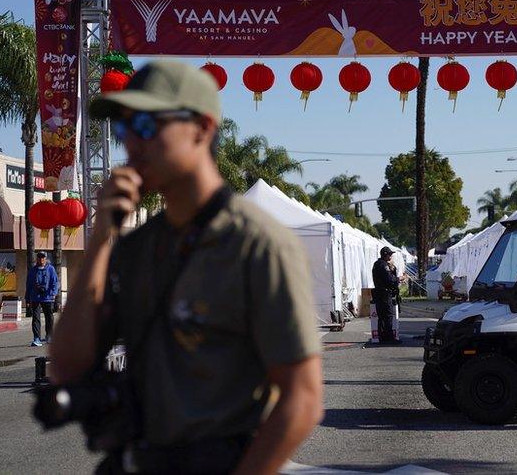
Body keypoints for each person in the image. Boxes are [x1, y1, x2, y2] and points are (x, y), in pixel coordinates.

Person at [48, 60, 323, 475]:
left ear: (202, 128)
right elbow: (68, 366)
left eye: (146, 126)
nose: (131, 145)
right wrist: (102, 237)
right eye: (124, 130)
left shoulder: (257, 244)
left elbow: (301, 399)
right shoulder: (137, 247)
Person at [26, 251, 58, 347]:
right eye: (39, 257)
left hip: (47, 297)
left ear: (46, 258)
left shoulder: (50, 269)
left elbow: (55, 282)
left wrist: (53, 293)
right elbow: (29, 285)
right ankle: (36, 338)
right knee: (36, 318)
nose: (41, 259)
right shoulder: (32, 270)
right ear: (37, 259)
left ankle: (49, 335)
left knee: (49, 317)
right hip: (35, 297)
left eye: (43, 257)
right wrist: (27, 298)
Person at [371, 247, 403, 343]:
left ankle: (383, 337)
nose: (391, 256)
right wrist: (399, 278)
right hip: (384, 293)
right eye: (389, 254)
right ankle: (388, 338)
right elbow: (389, 279)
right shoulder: (383, 265)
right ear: (385, 254)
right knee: (387, 316)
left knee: (382, 316)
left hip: (379, 293)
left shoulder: (377, 264)